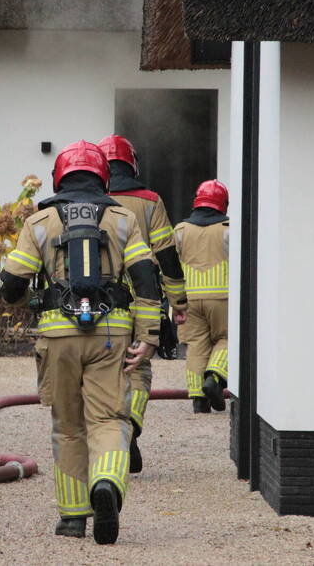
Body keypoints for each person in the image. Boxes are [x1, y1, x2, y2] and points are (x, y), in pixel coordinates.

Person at [0, 141, 163, 545]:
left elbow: (11, 285)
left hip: (57, 336)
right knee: (108, 420)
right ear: (102, 176)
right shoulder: (123, 218)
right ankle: (105, 483)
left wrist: (30, 301)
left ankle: (73, 519)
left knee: (68, 426)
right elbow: (145, 280)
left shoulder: (39, 221)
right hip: (111, 335)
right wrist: (149, 339)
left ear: (59, 176)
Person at [98, 134, 187, 473]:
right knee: (138, 368)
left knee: (101, 367)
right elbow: (166, 255)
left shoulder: (94, 200)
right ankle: (130, 423)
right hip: (143, 299)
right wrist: (178, 301)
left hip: (103, 300)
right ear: (132, 163)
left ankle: (109, 433)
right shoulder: (150, 201)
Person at [173, 180, 229, 413]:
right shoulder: (229, 229)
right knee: (228, 339)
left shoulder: (180, 230)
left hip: (189, 299)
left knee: (196, 345)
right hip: (223, 297)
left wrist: (174, 301)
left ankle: (198, 400)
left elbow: (169, 265)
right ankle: (214, 378)